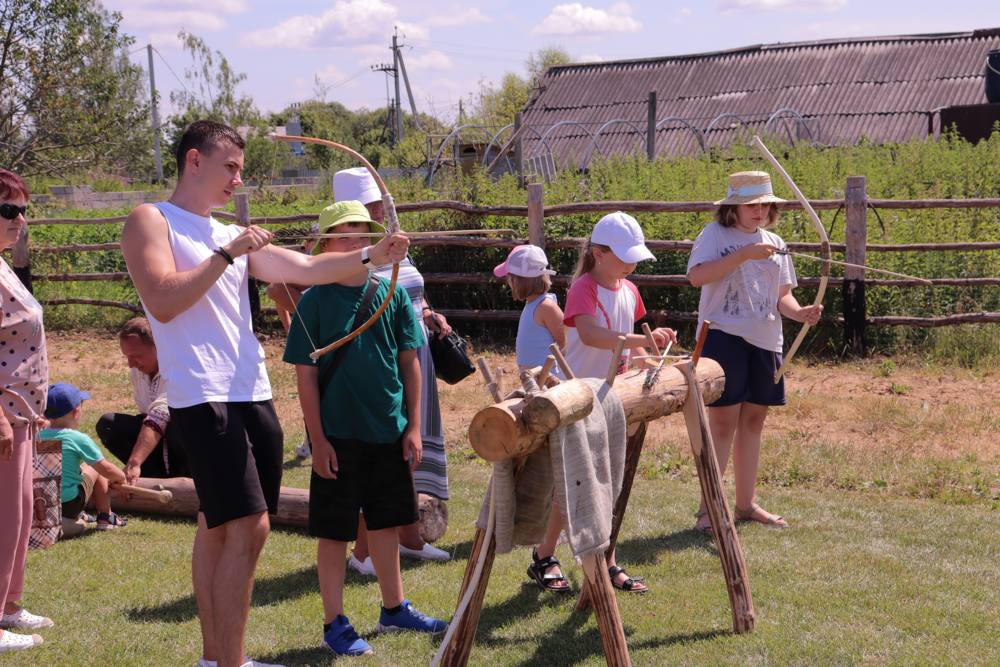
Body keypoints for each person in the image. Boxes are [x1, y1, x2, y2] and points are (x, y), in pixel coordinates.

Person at [120, 120, 409, 667]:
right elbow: (160, 299)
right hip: (203, 396)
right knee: (249, 526)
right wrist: (228, 255)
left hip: (250, 391)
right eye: (229, 167)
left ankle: (218, 659)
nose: (236, 180)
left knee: (216, 523)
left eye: (240, 170)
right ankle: (229, 662)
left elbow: (310, 267)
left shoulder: (226, 232)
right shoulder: (151, 220)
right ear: (194, 161)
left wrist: (374, 256)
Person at [282, 201, 448, 656]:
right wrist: (317, 440)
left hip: (388, 430)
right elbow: (305, 375)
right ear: (328, 245)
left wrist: (413, 426)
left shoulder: (391, 293)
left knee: (388, 521)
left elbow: (410, 361)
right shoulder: (315, 300)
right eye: (345, 234)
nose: (356, 242)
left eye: (363, 234)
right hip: (338, 436)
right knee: (335, 531)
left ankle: (393, 609)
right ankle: (333, 621)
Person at [269, 167, 453, 573]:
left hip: (403, 363)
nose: (370, 221)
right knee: (361, 473)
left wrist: (429, 313)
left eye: (371, 215)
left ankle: (409, 538)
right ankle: (363, 553)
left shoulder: (391, 248)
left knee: (400, 461)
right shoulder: (330, 277)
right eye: (350, 228)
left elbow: (407, 295)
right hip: (353, 378)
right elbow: (282, 290)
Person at [687, 171, 822, 534]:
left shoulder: (775, 242)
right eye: (751, 204)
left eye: (765, 204)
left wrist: (800, 313)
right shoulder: (714, 235)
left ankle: (745, 505)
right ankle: (707, 511)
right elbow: (697, 276)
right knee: (722, 424)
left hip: (765, 340)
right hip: (723, 337)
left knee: (753, 422)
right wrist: (745, 254)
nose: (760, 210)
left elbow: (782, 297)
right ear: (733, 206)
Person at [562, 211, 677, 593]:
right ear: (598, 252)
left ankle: (607, 559)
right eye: (625, 257)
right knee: (575, 482)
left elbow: (632, 345)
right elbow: (593, 336)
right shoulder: (584, 287)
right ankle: (547, 554)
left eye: (634, 257)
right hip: (580, 395)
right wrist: (642, 342)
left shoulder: (629, 290)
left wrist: (651, 357)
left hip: (615, 396)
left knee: (611, 482)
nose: (631, 264)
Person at [494, 244, 573, 592]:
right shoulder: (532, 305)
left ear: (522, 280)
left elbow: (566, 343)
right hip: (533, 390)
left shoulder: (547, 306)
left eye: (510, 278)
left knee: (555, 468)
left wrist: (548, 377)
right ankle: (532, 526)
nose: (507, 283)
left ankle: (546, 537)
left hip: (550, 391)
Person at [0, 169, 51, 653]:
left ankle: (9, 605)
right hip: (2, 416)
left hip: (22, 413)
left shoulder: (2, 265)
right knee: (2, 516)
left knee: (17, 515)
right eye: (9, 209)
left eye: (23, 209)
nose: (20, 219)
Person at [96, 317, 189, 484]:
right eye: (127, 357)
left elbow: (159, 415)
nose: (130, 364)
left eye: (136, 356)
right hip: (159, 437)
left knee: (179, 423)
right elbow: (147, 415)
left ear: (158, 347)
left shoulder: (179, 367)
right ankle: (152, 476)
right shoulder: (138, 371)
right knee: (109, 424)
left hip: (182, 441)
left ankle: (186, 476)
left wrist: (134, 462)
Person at [40, 382, 128, 534]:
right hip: (68, 503)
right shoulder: (78, 438)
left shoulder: (36, 436)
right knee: (95, 469)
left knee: (71, 469)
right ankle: (105, 517)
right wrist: (121, 477)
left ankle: (77, 517)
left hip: (42, 502)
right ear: (76, 411)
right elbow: (105, 468)